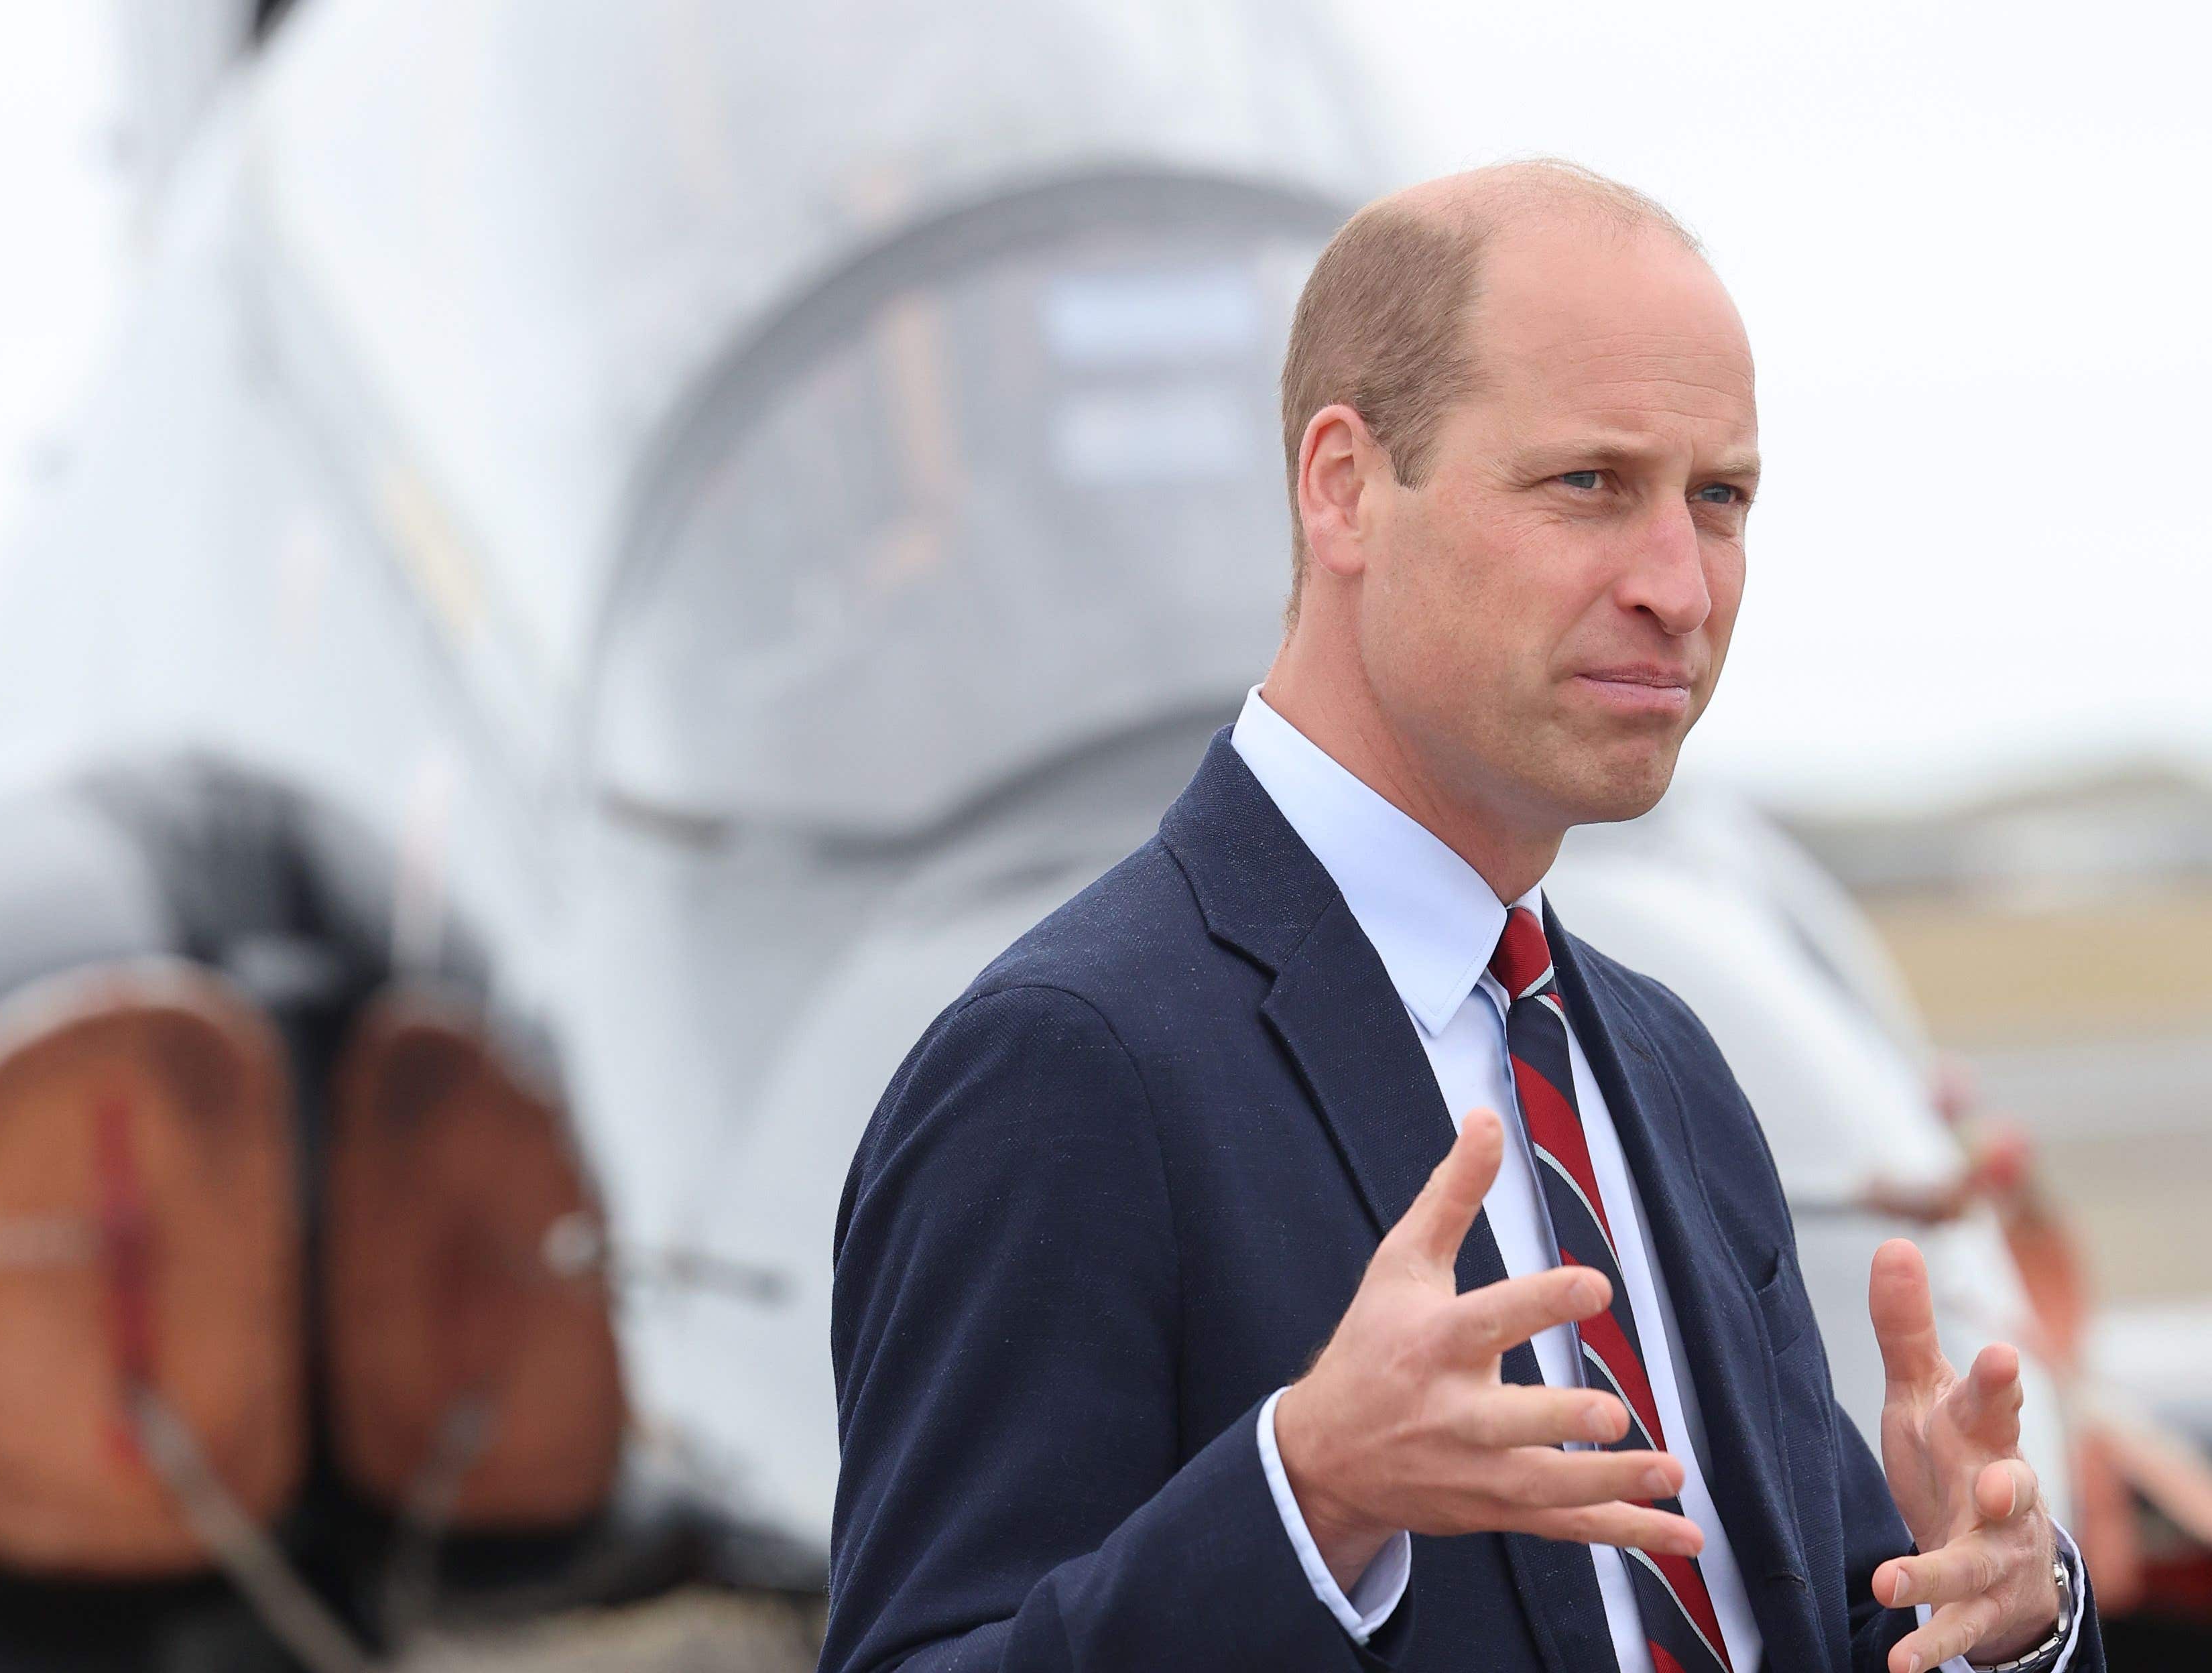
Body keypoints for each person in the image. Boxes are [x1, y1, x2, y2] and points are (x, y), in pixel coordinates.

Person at [821, 162, 2102, 1673]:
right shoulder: (1067, 1062)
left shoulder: (1662, 1065)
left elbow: (1814, 1627)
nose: (1680, 588)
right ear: (1345, 487)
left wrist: (2003, 1620)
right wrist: (1303, 1501)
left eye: (1720, 498)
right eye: (1590, 485)